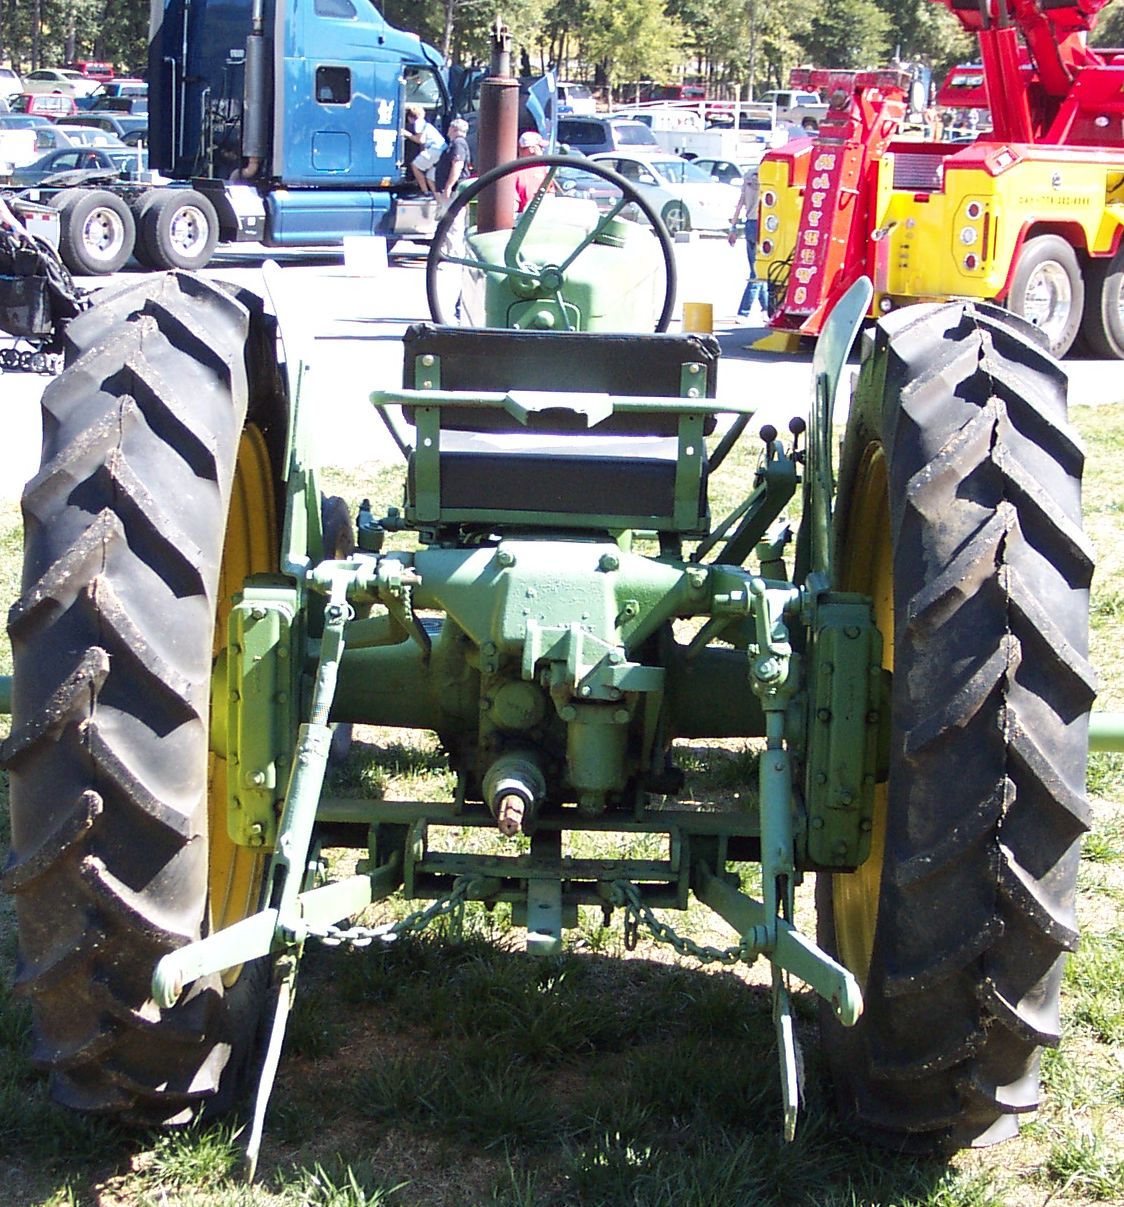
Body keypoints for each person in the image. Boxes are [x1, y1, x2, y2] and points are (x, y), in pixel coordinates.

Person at [729, 163, 767, 321]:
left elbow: (740, 204)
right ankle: (744, 311)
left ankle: (766, 310)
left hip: (749, 224)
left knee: (757, 268)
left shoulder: (748, 177)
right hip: (764, 225)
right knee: (758, 272)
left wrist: (733, 228)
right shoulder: (770, 177)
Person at [401, 103, 445, 194]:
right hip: (441, 150)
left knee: (415, 166)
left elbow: (420, 140)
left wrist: (406, 133)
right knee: (429, 176)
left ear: (410, 117)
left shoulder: (418, 123)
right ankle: (437, 197)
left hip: (434, 149)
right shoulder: (426, 123)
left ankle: (424, 191)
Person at [434, 117, 470, 208]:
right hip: (452, 189)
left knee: (453, 217)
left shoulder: (458, 143)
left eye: (450, 127)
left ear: (453, 129)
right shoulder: (455, 143)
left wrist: (448, 187)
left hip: (454, 189)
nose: (448, 129)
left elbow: (457, 165)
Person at [513, 129, 550, 213]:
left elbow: (550, 195)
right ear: (532, 149)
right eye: (541, 147)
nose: (543, 150)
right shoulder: (514, 171)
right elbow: (513, 205)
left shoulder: (543, 169)